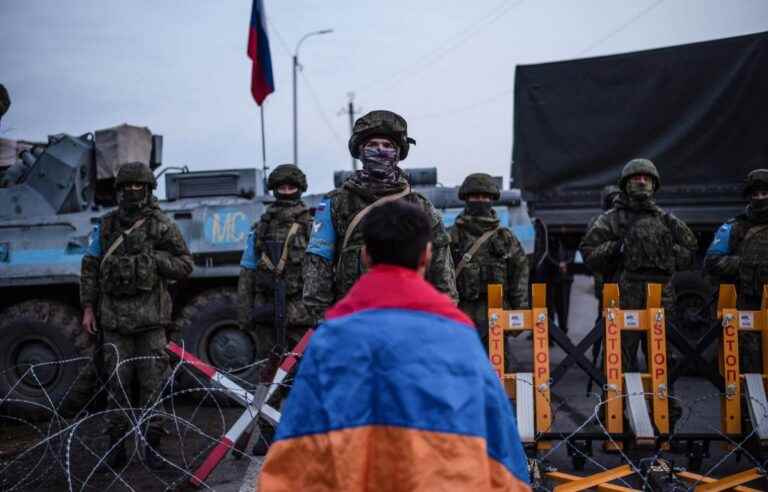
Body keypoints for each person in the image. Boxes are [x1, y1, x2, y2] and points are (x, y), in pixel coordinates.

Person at [260, 200, 530, 491]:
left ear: (365, 256)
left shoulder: (331, 340)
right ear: (427, 255)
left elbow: (292, 461)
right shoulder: (458, 337)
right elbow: (504, 458)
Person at [80, 162, 193, 469]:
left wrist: (155, 260)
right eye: (126, 187)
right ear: (118, 191)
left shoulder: (160, 225)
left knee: (152, 387)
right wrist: (88, 307)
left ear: (147, 189)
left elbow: (185, 264)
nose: (132, 192)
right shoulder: (105, 226)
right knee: (117, 388)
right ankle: (116, 450)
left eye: (137, 187)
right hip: (114, 322)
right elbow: (90, 266)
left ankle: (152, 449)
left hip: (151, 323)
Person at [302, 110, 457, 324]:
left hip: (410, 320)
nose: (380, 150)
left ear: (398, 152)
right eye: (372, 145)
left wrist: (443, 317)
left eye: (387, 145)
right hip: (353, 319)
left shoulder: (421, 206)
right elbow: (318, 264)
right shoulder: (336, 203)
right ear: (361, 150)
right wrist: (323, 320)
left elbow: (441, 268)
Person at [579, 159, 698, 371]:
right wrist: (618, 248)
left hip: (662, 298)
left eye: (646, 178)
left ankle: (666, 403)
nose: (642, 182)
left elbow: (690, 253)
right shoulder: (611, 220)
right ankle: (616, 403)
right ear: (626, 184)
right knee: (619, 361)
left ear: (654, 184)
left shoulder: (666, 220)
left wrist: (666, 253)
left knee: (662, 359)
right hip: (624, 298)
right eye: (636, 178)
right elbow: (589, 255)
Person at [237, 164, 313, 454]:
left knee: (304, 378)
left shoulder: (311, 225)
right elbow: (247, 269)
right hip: (269, 312)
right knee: (269, 379)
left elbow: (324, 267)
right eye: (280, 188)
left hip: (301, 314)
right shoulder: (262, 226)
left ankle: (300, 435)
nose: (285, 192)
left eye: (290, 187)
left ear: (300, 188)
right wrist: (245, 312)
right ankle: (268, 433)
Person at [448, 173, 528, 343]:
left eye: (485, 196)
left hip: (496, 314)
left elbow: (519, 274)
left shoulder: (504, 237)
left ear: (492, 199)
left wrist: (520, 311)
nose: (480, 200)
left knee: (498, 364)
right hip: (460, 313)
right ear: (466, 198)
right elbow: (438, 275)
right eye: (475, 196)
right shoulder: (451, 236)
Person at [704, 169, 768, 372]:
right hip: (747, 303)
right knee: (750, 366)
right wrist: (747, 264)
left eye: (764, 193)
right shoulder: (733, 227)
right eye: (755, 194)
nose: (759, 198)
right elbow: (712, 261)